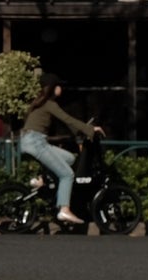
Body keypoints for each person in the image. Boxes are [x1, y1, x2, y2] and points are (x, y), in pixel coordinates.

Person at [20, 72, 98, 225]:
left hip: (32, 141)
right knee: (67, 174)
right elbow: (67, 119)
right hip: (36, 143)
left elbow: (64, 124)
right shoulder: (50, 104)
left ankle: (42, 179)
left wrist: (76, 132)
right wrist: (90, 129)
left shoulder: (40, 103)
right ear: (52, 87)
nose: (61, 88)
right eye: (58, 85)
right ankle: (64, 209)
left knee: (70, 158)